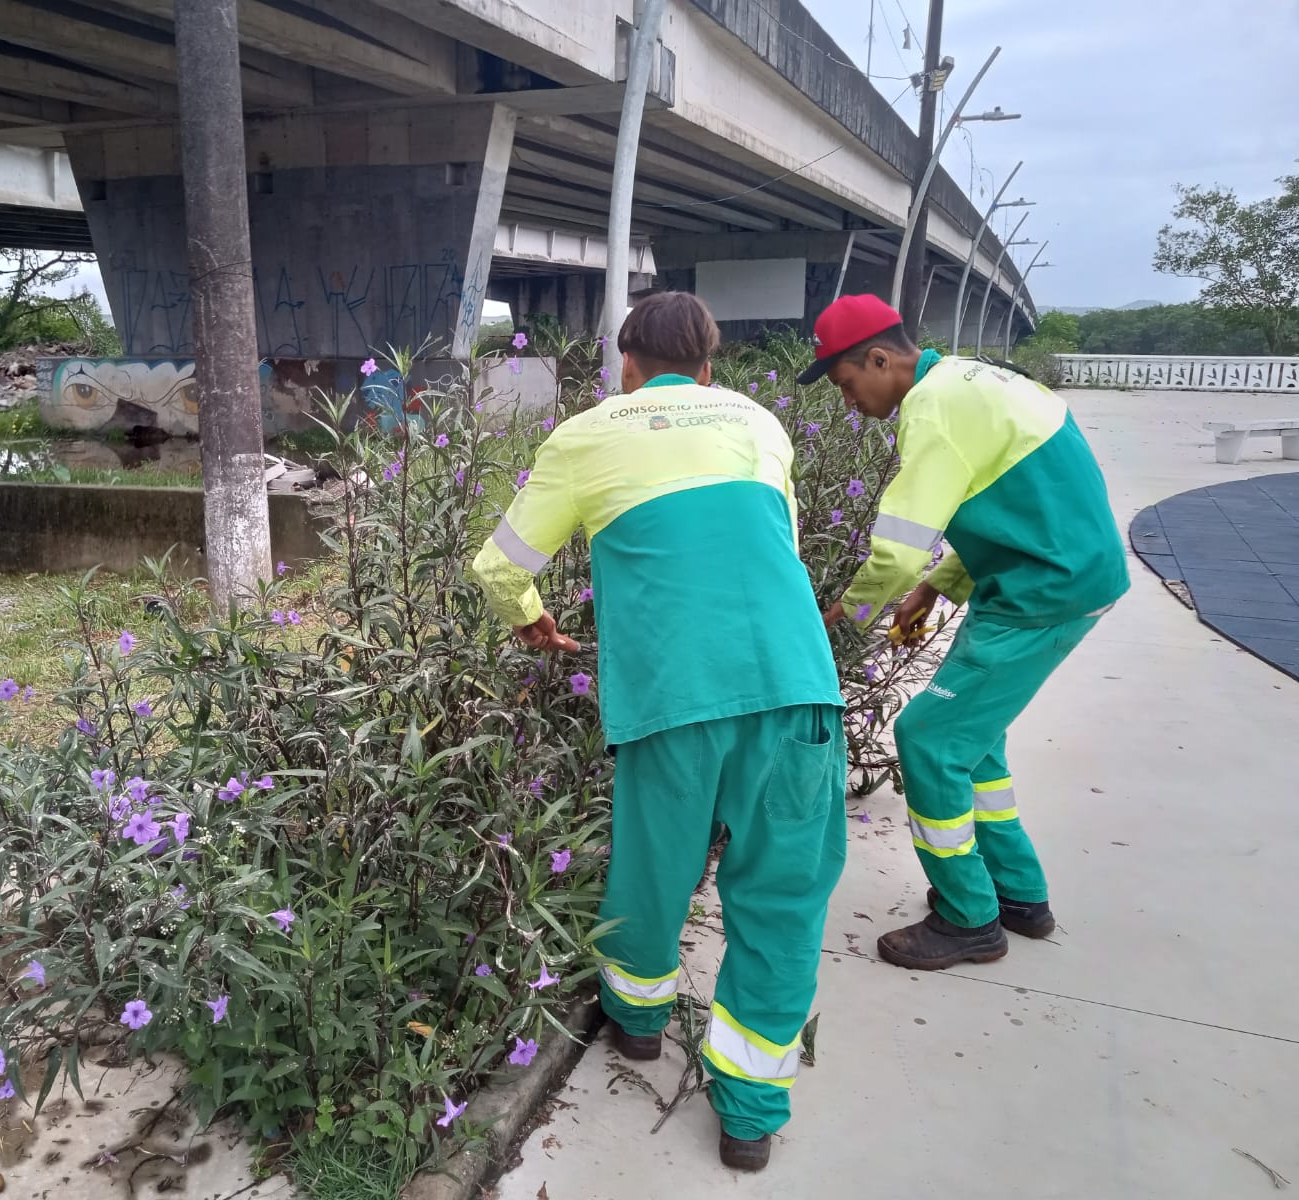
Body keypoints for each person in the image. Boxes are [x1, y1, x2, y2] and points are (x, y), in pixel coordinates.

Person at [471, 292, 847, 1172]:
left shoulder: (588, 434)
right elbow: (779, 548)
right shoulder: (758, 423)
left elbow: (497, 565)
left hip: (671, 695)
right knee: (783, 896)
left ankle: (637, 1022)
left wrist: (528, 619)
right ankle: (750, 1117)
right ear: (709, 367)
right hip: (796, 685)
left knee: (654, 867)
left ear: (626, 367)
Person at [804, 294, 1129, 971]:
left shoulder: (932, 409)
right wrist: (938, 585)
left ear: (879, 359)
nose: (849, 403)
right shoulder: (975, 380)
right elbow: (1018, 506)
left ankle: (967, 917)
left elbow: (895, 551)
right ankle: (1019, 895)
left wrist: (843, 619)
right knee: (972, 745)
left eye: (847, 384)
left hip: (1042, 593)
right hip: (1054, 574)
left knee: (929, 740)